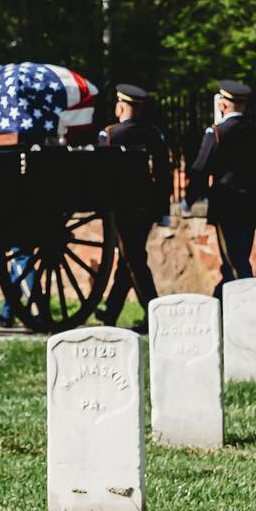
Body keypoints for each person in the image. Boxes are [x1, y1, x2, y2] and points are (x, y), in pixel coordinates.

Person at [184, 79, 256, 297]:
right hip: (251, 205)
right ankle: (218, 308)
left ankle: (252, 308)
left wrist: (189, 199)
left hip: (227, 205)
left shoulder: (216, 133)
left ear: (222, 105)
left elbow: (201, 168)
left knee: (236, 262)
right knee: (234, 261)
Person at [96, 83, 171, 330]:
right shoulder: (154, 134)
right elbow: (163, 175)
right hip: (147, 206)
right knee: (130, 258)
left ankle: (154, 313)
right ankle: (111, 312)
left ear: (120, 106)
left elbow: (102, 175)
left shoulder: (110, 135)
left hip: (122, 206)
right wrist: (163, 210)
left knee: (134, 259)